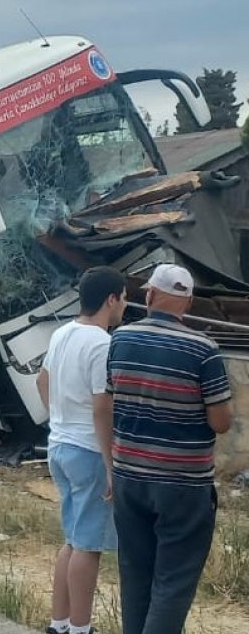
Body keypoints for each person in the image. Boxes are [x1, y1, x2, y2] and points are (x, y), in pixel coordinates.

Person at [107, 264, 234, 634]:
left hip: (130, 477)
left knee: (136, 577)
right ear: (189, 301)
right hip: (183, 485)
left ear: (150, 295)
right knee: (172, 585)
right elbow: (221, 423)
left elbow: (111, 395)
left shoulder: (122, 339)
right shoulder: (204, 350)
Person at [35, 267, 127, 634]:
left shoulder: (62, 333)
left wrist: (57, 421)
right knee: (89, 545)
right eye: (124, 297)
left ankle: (59, 624)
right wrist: (111, 464)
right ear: (111, 299)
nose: (125, 304)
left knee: (72, 540)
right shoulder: (103, 343)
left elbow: (42, 381)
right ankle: (80, 628)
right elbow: (102, 405)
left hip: (59, 444)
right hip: (89, 450)